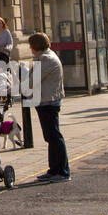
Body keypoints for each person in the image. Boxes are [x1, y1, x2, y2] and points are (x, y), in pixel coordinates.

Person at [26, 32, 68, 181]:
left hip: (48, 101)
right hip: (45, 100)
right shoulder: (43, 57)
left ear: (35, 46)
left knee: (54, 136)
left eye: (31, 45)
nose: (29, 48)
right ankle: (54, 170)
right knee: (51, 137)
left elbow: (31, 82)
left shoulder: (46, 59)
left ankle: (62, 172)